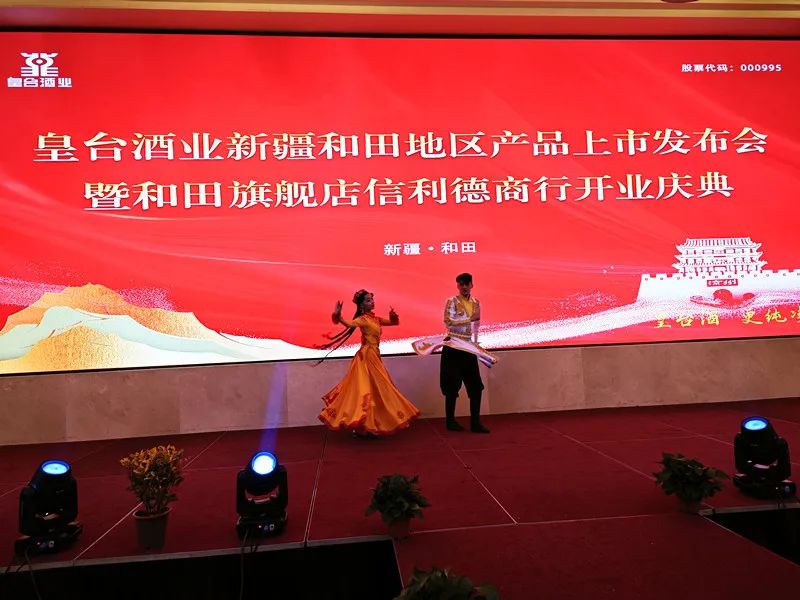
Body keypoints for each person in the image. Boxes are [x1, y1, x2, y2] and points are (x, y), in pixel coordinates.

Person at [318, 289, 420, 437]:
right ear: (361, 305)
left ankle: (367, 426)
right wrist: (339, 316)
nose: (371, 302)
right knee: (368, 390)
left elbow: (394, 323)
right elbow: (350, 324)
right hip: (366, 357)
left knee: (375, 390)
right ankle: (364, 426)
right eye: (368, 300)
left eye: (371, 299)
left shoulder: (375, 319)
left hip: (374, 355)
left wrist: (393, 316)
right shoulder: (363, 319)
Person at [412, 273, 495, 433]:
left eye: (467, 284)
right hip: (453, 346)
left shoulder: (476, 302)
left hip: (468, 347)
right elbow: (449, 322)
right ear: (457, 286)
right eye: (461, 284)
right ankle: (450, 421)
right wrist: (470, 319)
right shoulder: (451, 301)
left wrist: (475, 343)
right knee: (451, 386)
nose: (464, 287)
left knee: (475, 386)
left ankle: (475, 423)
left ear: (471, 285)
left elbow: (476, 325)